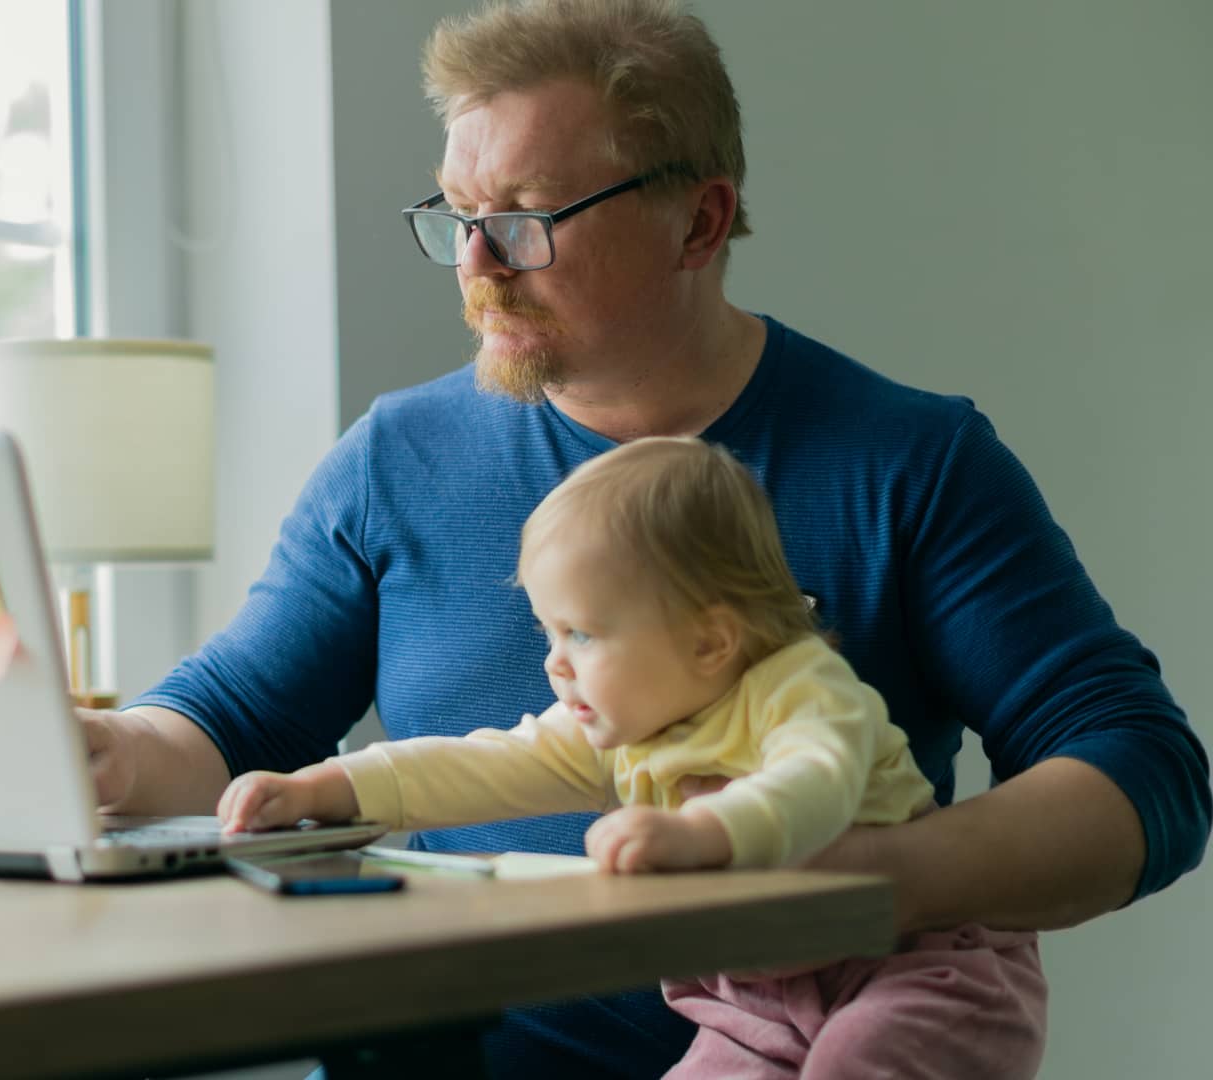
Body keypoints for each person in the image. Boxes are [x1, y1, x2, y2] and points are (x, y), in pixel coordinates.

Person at [79, 0, 1210, 1073]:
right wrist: (115, 753)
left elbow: (1140, 772)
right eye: (459, 219)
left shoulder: (911, 461)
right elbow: (228, 722)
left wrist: (859, 879)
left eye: (524, 222)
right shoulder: (395, 460)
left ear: (700, 221)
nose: (476, 266)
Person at [216, 436, 1048, 1077]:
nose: (555, 661)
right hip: (754, 1001)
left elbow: (815, 786)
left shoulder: (803, 689)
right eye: (548, 630)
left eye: (580, 632)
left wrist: (703, 836)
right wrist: (329, 787)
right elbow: (484, 764)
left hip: (921, 970)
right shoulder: (627, 725)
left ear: (710, 640)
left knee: (858, 1060)